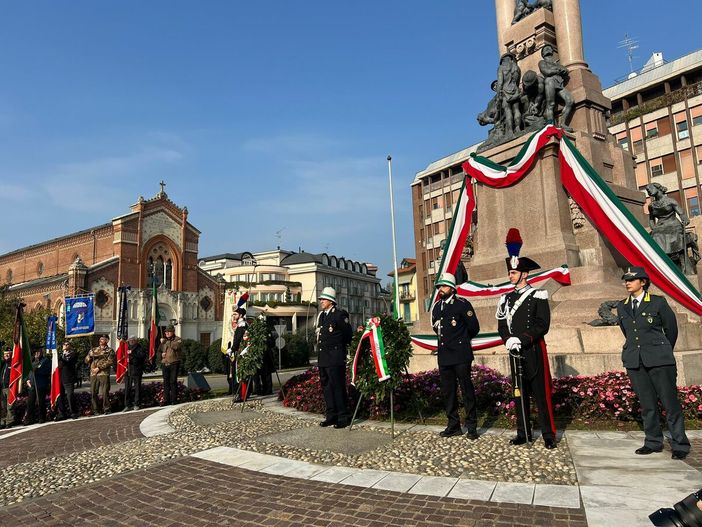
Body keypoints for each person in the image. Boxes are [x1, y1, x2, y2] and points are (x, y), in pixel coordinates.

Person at [617, 266, 690, 460]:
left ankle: (680, 444)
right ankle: (653, 441)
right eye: (626, 280)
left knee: (670, 403)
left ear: (643, 282)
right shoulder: (622, 306)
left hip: (660, 360)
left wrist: (661, 350)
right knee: (647, 404)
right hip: (635, 361)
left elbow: (671, 330)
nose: (627, 283)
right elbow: (627, 332)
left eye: (632, 280)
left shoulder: (658, 302)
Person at [496, 229, 557, 449]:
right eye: (510, 272)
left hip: (533, 349)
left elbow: (542, 324)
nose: (510, 276)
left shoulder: (538, 295)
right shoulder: (505, 298)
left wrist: (521, 339)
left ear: (524, 274)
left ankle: (548, 434)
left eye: (513, 273)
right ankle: (523, 432)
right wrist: (507, 339)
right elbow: (502, 324)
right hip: (514, 352)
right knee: (519, 392)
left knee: (541, 393)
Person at [431, 272, 481, 439]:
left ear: (452, 288)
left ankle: (471, 426)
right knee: (448, 392)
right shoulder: (437, 307)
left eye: (444, 286)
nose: (441, 289)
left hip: (461, 354)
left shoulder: (462, 304)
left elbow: (473, 327)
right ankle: (453, 425)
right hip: (444, 355)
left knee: (466, 390)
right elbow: (436, 328)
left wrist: (462, 340)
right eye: (439, 286)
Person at [316, 287, 353, 429]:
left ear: (331, 301)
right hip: (323, 358)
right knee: (327, 388)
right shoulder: (322, 316)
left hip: (335, 358)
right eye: (321, 299)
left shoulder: (339, 315)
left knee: (338, 387)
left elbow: (348, 335)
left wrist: (340, 350)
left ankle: (343, 416)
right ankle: (331, 415)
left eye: (323, 299)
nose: (321, 301)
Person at [645, 182, 694, 275]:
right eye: (647, 190)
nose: (648, 191)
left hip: (673, 224)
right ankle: (663, 265)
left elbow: (682, 214)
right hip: (660, 227)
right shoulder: (651, 206)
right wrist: (654, 228)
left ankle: (682, 263)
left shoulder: (671, 201)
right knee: (655, 237)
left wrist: (685, 220)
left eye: (650, 189)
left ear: (657, 188)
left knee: (675, 235)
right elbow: (651, 219)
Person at [538, 44, 574, 128]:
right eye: (545, 49)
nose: (547, 49)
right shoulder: (542, 62)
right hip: (550, 81)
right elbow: (547, 72)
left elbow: (566, 70)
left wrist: (558, 69)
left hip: (559, 84)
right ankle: (550, 126)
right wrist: (558, 70)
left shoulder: (557, 63)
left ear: (552, 51)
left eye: (549, 48)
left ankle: (562, 124)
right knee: (551, 104)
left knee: (570, 101)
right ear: (543, 54)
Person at [85, 334, 115, 415]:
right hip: (93, 374)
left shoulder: (110, 350)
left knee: (105, 392)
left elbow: (110, 361)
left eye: (102, 339)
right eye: (100, 339)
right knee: (93, 392)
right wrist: (89, 356)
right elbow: (86, 360)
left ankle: (106, 409)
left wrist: (99, 368)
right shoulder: (93, 349)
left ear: (107, 340)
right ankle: (95, 410)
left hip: (103, 373)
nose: (100, 340)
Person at [496, 52, 522, 135]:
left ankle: (510, 130)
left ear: (503, 60)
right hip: (515, 89)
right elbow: (517, 81)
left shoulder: (501, 68)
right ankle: (518, 128)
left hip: (505, 91)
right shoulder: (516, 67)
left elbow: (500, 82)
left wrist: (498, 95)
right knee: (516, 109)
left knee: (508, 111)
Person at [24, 347, 51, 424]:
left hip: (41, 384)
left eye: (38, 352)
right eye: (36, 352)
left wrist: (38, 371)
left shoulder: (45, 360)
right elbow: (28, 372)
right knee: (30, 402)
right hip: (32, 385)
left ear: (42, 352)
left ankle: (42, 417)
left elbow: (47, 371)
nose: (37, 353)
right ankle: (30, 419)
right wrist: (27, 380)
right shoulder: (32, 361)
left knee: (41, 402)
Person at [159, 325, 182, 405]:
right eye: (166, 332)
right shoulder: (164, 341)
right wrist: (161, 354)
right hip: (165, 363)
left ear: (173, 332)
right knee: (166, 382)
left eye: (168, 331)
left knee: (173, 381)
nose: (167, 333)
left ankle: (174, 400)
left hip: (174, 363)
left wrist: (166, 342)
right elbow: (159, 350)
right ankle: (166, 400)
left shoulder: (178, 339)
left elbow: (176, 346)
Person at [57, 341, 79, 420]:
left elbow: (68, 362)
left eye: (67, 344)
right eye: (64, 344)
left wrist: (63, 357)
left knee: (70, 396)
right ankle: (62, 413)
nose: (65, 345)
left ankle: (73, 412)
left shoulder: (73, 354)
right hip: (60, 378)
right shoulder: (59, 355)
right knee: (60, 397)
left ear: (70, 346)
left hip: (69, 378)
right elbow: (59, 366)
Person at [229, 308, 247, 401]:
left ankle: (240, 395)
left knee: (238, 374)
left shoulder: (241, 326)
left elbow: (238, 340)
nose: (234, 316)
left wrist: (232, 349)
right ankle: (242, 394)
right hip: (240, 351)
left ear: (240, 315)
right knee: (240, 373)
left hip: (241, 352)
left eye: (235, 314)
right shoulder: (242, 325)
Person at [124, 336, 147, 411]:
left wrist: (132, 354)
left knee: (137, 388)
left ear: (136, 341)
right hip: (127, 370)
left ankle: (137, 404)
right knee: (127, 388)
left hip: (136, 370)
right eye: (130, 340)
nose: (131, 341)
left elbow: (142, 356)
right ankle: (127, 405)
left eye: (133, 340)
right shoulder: (126, 348)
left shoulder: (139, 348)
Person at [1, 348, 13, 428]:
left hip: (9, 387)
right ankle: (3, 422)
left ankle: (9, 421)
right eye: (5, 354)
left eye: (8, 353)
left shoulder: (12, 363)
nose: (6, 355)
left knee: (10, 406)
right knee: (3, 407)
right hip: (2, 388)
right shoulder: (2, 364)